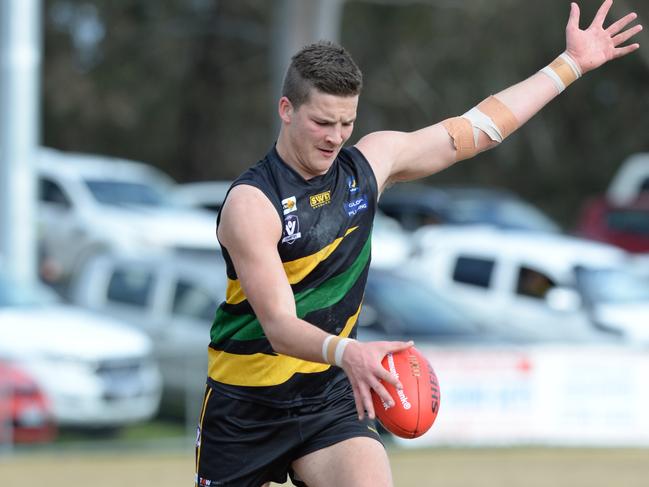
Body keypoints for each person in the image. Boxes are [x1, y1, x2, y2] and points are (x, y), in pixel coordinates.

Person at [195, 2, 642, 486]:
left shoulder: (368, 164)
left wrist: (570, 64)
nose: (336, 138)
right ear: (287, 109)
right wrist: (350, 353)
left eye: (346, 123)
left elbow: (476, 131)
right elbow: (280, 326)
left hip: (329, 394)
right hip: (246, 407)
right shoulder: (252, 203)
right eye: (322, 122)